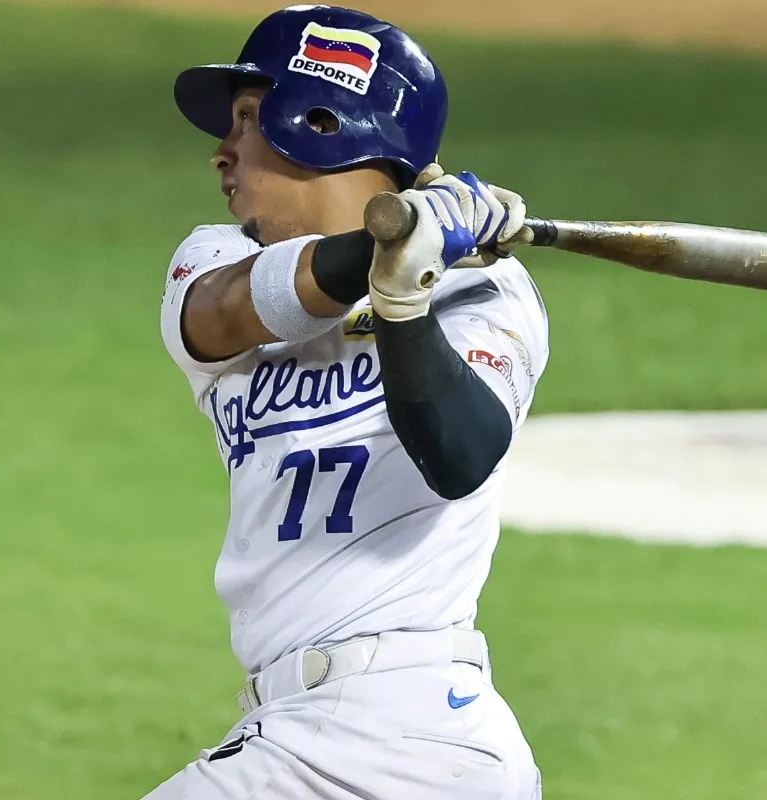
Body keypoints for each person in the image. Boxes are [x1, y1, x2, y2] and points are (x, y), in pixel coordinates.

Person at [149, 5, 548, 798]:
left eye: (247, 121)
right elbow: (225, 313)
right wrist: (389, 246)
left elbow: (459, 454)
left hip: (405, 730)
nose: (221, 155)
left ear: (319, 123)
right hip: (312, 731)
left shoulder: (486, 290)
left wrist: (407, 298)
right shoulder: (214, 256)